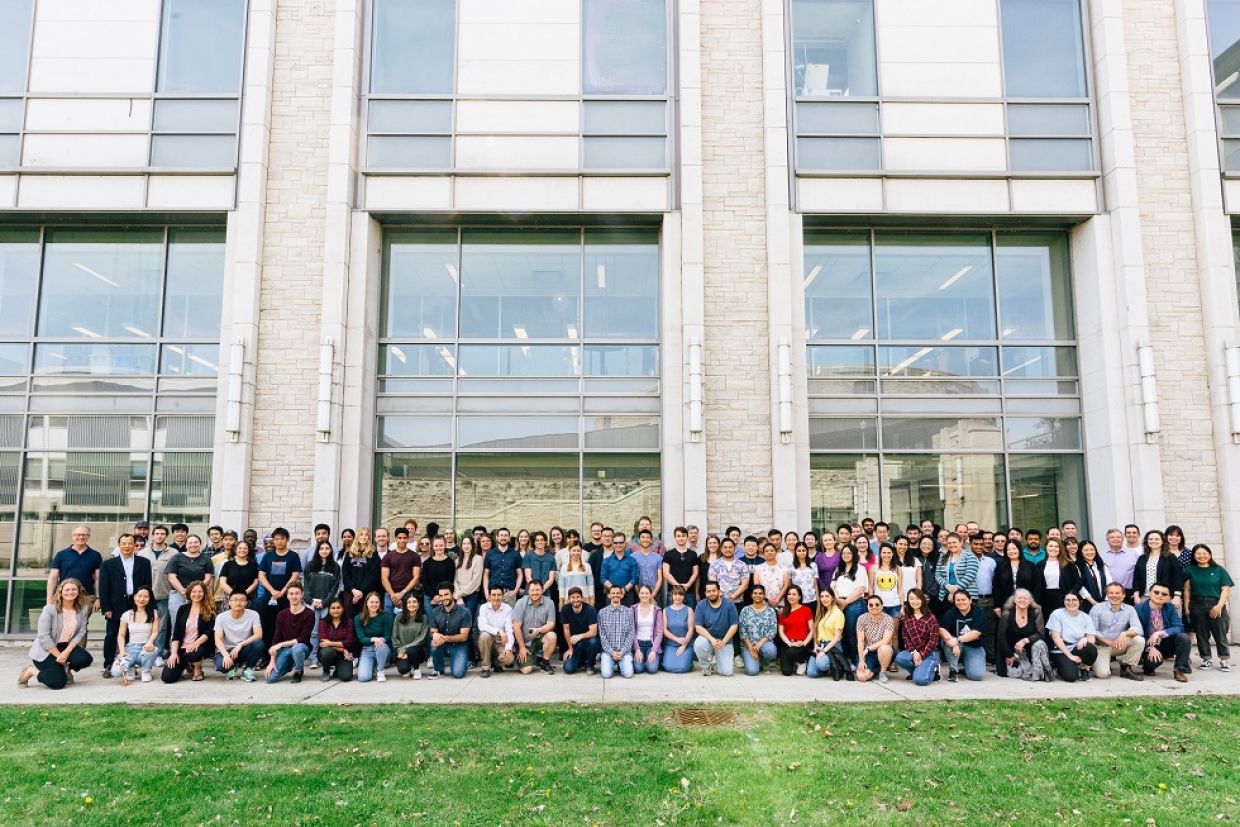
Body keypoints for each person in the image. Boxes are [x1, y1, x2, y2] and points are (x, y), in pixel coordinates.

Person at [18, 578, 93, 690]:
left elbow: (81, 632)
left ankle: (65, 669)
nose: (70, 592)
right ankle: (30, 671)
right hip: (46, 650)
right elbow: (44, 637)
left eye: (74, 589)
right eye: (67, 589)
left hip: (65, 646)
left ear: (78, 592)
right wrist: (60, 656)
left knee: (85, 659)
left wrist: (66, 653)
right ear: (60, 591)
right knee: (57, 683)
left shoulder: (83, 609)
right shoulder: (49, 610)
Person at [98, 533, 153, 678]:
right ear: (119, 545)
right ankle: (109, 663)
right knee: (112, 634)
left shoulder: (144, 563)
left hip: (137, 603)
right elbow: (103, 587)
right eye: (124, 543)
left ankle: (131, 663)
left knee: (132, 635)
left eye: (130, 543)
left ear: (135, 545)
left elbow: (148, 586)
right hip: (115, 604)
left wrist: (147, 605)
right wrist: (106, 607)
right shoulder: (108, 564)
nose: (127, 546)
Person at [1181, 544, 1232, 670]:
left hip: (1215, 604)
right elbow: (1187, 590)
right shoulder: (1189, 570)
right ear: (1194, 556)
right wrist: (1187, 607)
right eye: (1198, 553)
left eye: (1204, 553)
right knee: (1201, 633)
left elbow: (1225, 589)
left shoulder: (1219, 570)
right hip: (1196, 605)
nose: (1201, 556)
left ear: (1209, 554)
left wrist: (1219, 606)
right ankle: (1206, 659)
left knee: (1220, 633)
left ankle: (1224, 660)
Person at [1090, 582, 1146, 680]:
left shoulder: (1130, 609)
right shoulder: (1097, 608)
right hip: (1101, 646)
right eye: (1111, 593)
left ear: (1123, 595)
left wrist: (1124, 634)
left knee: (1139, 640)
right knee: (1103, 674)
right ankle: (1100, 663)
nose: (1114, 596)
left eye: (1117, 593)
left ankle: (1126, 667)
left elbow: (1138, 629)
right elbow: (1092, 630)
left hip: (1118, 644)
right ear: (1107, 595)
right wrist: (1108, 642)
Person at [163, 581, 217, 683]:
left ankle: (197, 669)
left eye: (200, 591)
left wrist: (195, 643)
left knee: (192, 654)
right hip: (182, 648)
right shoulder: (183, 609)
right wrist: (174, 653)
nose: (197, 594)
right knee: (167, 678)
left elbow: (209, 632)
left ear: (205, 593)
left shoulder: (210, 610)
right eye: (194, 591)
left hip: (199, 647)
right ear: (189, 593)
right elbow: (177, 634)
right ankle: (187, 666)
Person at [1135, 584, 1192, 681]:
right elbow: (1136, 633)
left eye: (1164, 594)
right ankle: (1148, 667)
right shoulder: (1138, 609)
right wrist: (1150, 647)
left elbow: (1179, 627)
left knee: (1184, 638)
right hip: (1146, 645)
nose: (1159, 595)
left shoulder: (1170, 608)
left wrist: (1160, 633)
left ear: (1169, 598)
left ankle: (1179, 670)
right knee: (1153, 663)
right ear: (1149, 593)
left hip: (1165, 643)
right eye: (1156, 592)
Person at [257, 528, 301, 647]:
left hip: (288, 598)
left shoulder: (293, 556)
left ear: (287, 540)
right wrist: (272, 591)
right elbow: (261, 575)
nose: (279, 541)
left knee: (286, 625)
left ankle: (284, 651)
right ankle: (267, 654)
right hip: (270, 597)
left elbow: (295, 575)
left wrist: (282, 591)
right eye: (276, 539)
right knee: (268, 625)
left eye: (282, 539)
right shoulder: (268, 556)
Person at [264, 582, 314, 684]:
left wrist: (281, 644)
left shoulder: (309, 614)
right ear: (287, 595)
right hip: (286, 650)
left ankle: (298, 670)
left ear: (302, 594)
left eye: (297, 593)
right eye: (291, 594)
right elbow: (276, 638)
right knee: (270, 679)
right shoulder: (282, 615)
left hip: (302, 647)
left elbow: (303, 638)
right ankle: (290, 664)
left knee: (297, 648)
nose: (294, 596)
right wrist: (272, 661)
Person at [996, 589, 1051, 681]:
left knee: (1040, 643)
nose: (1022, 600)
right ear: (1014, 600)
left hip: (1028, 648)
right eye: (1019, 598)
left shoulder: (1036, 612)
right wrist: (1009, 655)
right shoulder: (1007, 613)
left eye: (1026, 598)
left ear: (1030, 601)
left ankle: (1044, 670)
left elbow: (1040, 633)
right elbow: (1001, 636)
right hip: (1009, 650)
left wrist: (1025, 640)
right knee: (1016, 673)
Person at [303, 540, 341, 670]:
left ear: (330, 551)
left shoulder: (335, 567)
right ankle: (314, 658)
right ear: (317, 550)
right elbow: (306, 585)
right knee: (314, 633)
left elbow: (334, 588)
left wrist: (324, 602)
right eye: (321, 548)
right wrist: (311, 601)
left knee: (327, 632)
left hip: (327, 604)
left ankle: (326, 658)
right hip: (312, 604)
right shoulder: (310, 565)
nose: (324, 551)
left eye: (327, 548)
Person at [111, 585, 160, 685]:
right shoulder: (127, 614)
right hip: (131, 648)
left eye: (146, 596)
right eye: (140, 596)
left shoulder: (154, 613)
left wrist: (150, 642)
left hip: (146, 648)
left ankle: (146, 671)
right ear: (134, 597)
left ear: (150, 599)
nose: (142, 599)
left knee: (152, 650)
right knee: (115, 672)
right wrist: (122, 651)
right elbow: (121, 635)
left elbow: (155, 631)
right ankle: (130, 667)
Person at [210, 589, 261, 681]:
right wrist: (225, 655)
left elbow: (258, 635)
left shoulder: (253, 615)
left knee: (259, 644)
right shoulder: (221, 617)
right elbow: (218, 639)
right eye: (235, 599)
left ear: (246, 603)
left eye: (242, 600)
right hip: (227, 651)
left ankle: (247, 670)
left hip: (243, 649)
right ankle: (232, 668)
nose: (238, 602)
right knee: (222, 667)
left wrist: (240, 645)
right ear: (229, 602)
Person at [46, 525, 102, 609]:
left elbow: (98, 579)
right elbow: (53, 578)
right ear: (73, 536)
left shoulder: (95, 555)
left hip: (86, 598)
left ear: (88, 536)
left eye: (84, 535)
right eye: (78, 534)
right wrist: (49, 600)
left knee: (82, 622)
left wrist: (98, 598)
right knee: (64, 621)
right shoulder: (61, 555)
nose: (81, 537)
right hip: (65, 596)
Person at [1047, 593, 1098, 682]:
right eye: (1068, 600)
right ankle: (1058, 668)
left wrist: (1085, 638)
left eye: (1074, 600)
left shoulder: (1086, 617)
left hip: (1076, 647)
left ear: (1080, 602)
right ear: (1064, 602)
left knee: (1091, 649)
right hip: (1061, 649)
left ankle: (1085, 669)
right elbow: (1056, 638)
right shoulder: (1057, 614)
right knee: (1071, 677)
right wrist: (1070, 656)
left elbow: (1092, 639)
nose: (1071, 602)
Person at [894, 589, 940, 686]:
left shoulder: (931, 617)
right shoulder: (907, 617)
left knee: (920, 681)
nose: (914, 601)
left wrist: (921, 655)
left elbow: (933, 641)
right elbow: (905, 637)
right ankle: (920, 671)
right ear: (908, 601)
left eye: (917, 598)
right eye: (911, 598)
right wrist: (915, 653)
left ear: (923, 600)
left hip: (930, 653)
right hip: (914, 653)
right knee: (900, 657)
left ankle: (933, 671)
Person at [939, 590, 987, 682]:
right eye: (958, 600)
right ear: (954, 602)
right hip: (956, 647)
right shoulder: (951, 612)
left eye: (963, 599)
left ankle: (964, 667)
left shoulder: (979, 613)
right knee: (948, 641)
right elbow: (941, 629)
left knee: (977, 676)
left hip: (974, 646)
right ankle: (953, 670)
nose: (961, 602)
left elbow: (976, 633)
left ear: (970, 600)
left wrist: (957, 640)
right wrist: (954, 643)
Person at [693, 581, 739, 676]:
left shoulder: (729, 604)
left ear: (719, 591)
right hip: (708, 639)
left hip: (725, 640)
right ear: (705, 593)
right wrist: (712, 640)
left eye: (714, 591)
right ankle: (706, 666)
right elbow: (698, 627)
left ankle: (715, 662)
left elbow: (734, 626)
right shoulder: (701, 605)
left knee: (727, 672)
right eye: (708, 591)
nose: (711, 593)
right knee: (699, 644)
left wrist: (724, 642)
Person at [513, 579, 558, 675]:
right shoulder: (520, 603)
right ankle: (524, 658)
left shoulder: (549, 603)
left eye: (537, 590)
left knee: (552, 636)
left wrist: (539, 630)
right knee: (526, 670)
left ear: (542, 590)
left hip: (540, 637)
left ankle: (545, 663)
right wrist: (521, 647)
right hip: (525, 641)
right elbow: (516, 627)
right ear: (528, 591)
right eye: (532, 590)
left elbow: (551, 624)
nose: (535, 593)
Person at [832, 545, 868, 661]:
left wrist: (845, 602)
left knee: (853, 633)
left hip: (854, 604)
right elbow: (832, 586)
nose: (846, 555)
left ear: (854, 554)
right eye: (843, 553)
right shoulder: (839, 569)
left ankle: (855, 660)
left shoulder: (860, 569)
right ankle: (845, 659)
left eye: (849, 553)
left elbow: (861, 589)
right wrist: (838, 600)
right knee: (842, 632)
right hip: (839, 603)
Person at [429, 582, 472, 679]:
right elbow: (433, 631)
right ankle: (439, 670)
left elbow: (463, 636)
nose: (443, 598)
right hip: (442, 645)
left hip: (459, 646)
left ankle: (462, 662)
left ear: (452, 594)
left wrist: (444, 638)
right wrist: (435, 635)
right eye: (441, 595)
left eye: (446, 594)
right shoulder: (435, 611)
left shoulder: (465, 612)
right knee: (434, 644)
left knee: (458, 674)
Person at [806, 588, 848, 679]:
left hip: (833, 646)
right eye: (822, 596)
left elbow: (837, 637)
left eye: (827, 596)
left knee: (821, 664)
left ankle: (834, 665)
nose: (824, 599)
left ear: (832, 598)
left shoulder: (838, 613)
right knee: (811, 673)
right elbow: (816, 633)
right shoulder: (822, 613)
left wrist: (823, 651)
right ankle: (828, 668)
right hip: (820, 645)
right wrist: (816, 647)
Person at [477, 585, 516, 677]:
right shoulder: (484, 607)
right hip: (488, 640)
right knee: (484, 636)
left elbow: (509, 631)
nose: (496, 597)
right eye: (493, 595)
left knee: (509, 659)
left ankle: (497, 663)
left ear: (502, 596)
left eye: (499, 595)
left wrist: (508, 649)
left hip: (501, 641)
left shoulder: (508, 609)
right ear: (489, 596)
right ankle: (485, 668)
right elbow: (481, 625)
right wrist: (499, 631)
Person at [738, 584, 778, 675]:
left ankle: (765, 662)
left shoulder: (770, 611)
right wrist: (751, 649)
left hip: (764, 644)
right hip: (749, 645)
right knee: (752, 671)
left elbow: (772, 630)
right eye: (755, 593)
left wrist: (759, 644)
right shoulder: (745, 610)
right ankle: (753, 660)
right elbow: (742, 631)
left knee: (771, 651)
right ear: (751, 595)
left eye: (760, 593)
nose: (758, 595)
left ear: (764, 595)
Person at [560, 586, 601, 675]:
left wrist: (580, 636)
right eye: (573, 597)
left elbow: (593, 632)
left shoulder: (590, 610)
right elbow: (566, 630)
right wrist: (570, 648)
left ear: (582, 598)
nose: (576, 600)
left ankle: (590, 665)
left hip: (588, 642)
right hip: (576, 645)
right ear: (569, 599)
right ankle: (583, 661)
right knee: (568, 669)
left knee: (593, 641)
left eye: (578, 597)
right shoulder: (565, 609)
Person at [854, 596, 895, 684]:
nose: (874, 607)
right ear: (867, 606)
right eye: (871, 605)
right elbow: (860, 641)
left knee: (884, 648)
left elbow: (885, 641)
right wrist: (861, 660)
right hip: (868, 653)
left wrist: (868, 649)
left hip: (883, 651)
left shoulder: (888, 619)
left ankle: (883, 672)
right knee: (862, 677)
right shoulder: (862, 619)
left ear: (882, 606)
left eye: (877, 604)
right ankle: (875, 669)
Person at [354, 591, 393, 682]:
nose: (374, 604)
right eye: (371, 602)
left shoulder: (385, 616)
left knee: (380, 646)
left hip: (382, 648)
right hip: (367, 650)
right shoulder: (359, 618)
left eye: (376, 602)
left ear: (380, 603)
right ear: (366, 603)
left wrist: (379, 640)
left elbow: (387, 636)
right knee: (363, 678)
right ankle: (373, 666)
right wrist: (373, 639)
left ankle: (380, 671)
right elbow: (361, 638)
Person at [597, 585, 635, 679]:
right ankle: (610, 661)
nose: (615, 595)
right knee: (606, 674)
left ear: (621, 595)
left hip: (624, 651)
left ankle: (619, 664)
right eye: (613, 593)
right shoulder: (602, 613)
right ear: (609, 595)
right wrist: (612, 652)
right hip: (608, 652)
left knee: (628, 674)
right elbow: (602, 636)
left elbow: (631, 634)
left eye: (618, 593)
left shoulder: (629, 612)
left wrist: (622, 652)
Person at [381, 527, 421, 615]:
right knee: (389, 623)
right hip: (390, 595)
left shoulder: (414, 556)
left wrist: (402, 593)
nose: (402, 540)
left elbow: (416, 577)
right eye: (399, 538)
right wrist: (393, 595)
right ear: (395, 539)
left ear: (408, 538)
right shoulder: (388, 556)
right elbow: (384, 578)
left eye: (404, 538)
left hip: (408, 595)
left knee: (406, 623)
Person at [342, 527, 381, 618]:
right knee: (350, 618)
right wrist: (353, 590)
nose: (363, 537)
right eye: (361, 534)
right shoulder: (349, 553)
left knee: (364, 618)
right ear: (357, 536)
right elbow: (345, 573)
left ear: (369, 538)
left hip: (366, 593)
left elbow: (373, 575)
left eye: (366, 535)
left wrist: (361, 591)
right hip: (351, 592)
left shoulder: (373, 554)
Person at [777, 585, 814, 676]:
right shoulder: (783, 612)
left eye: (794, 594)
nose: (791, 596)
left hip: (802, 643)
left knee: (792, 652)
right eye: (789, 594)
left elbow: (812, 630)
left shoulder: (806, 610)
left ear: (799, 597)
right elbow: (781, 631)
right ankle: (793, 661)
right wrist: (789, 643)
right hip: (788, 643)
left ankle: (801, 662)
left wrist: (804, 642)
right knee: (786, 672)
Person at [317, 598, 357, 681]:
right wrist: (342, 649)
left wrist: (330, 643)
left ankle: (338, 670)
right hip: (329, 653)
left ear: (343, 609)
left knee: (346, 677)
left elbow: (349, 642)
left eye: (338, 607)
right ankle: (326, 670)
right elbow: (323, 643)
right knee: (327, 652)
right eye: (333, 608)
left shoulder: (349, 622)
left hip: (343, 656)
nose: (336, 610)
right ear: (329, 609)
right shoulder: (323, 622)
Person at [392, 592, 430, 679]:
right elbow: (394, 637)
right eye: (409, 602)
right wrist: (399, 651)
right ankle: (408, 666)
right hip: (401, 651)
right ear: (405, 604)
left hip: (417, 651)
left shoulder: (423, 618)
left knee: (411, 650)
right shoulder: (398, 617)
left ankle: (416, 669)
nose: (412, 604)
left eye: (414, 602)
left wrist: (404, 649)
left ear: (419, 604)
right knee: (403, 670)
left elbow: (422, 638)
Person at [483, 530, 524, 607]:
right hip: (493, 593)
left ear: (508, 538)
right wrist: (486, 591)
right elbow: (486, 575)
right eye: (501, 535)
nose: (503, 537)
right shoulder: (490, 554)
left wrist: (515, 590)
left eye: (506, 535)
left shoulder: (515, 554)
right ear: (497, 537)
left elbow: (520, 574)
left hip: (509, 593)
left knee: (509, 618)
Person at [661, 586, 695, 673]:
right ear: (672, 596)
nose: (678, 597)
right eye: (675, 594)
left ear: (684, 597)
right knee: (667, 667)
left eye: (680, 594)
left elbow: (691, 629)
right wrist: (677, 639)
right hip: (671, 644)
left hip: (686, 643)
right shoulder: (665, 610)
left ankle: (688, 660)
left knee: (683, 668)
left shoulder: (689, 610)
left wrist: (683, 645)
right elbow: (664, 630)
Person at [632, 584, 664, 675]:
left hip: (651, 644)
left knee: (652, 669)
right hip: (639, 643)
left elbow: (659, 632)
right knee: (638, 669)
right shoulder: (633, 609)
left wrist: (654, 651)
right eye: (642, 593)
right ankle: (643, 659)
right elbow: (632, 631)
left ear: (650, 594)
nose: (644, 595)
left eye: (647, 593)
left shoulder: (657, 610)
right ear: (638, 594)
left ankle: (655, 657)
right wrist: (637, 649)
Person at [663, 527, 699, 607]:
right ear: (675, 538)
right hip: (673, 593)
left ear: (687, 537)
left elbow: (695, 572)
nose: (681, 538)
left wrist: (688, 585)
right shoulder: (668, 554)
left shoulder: (693, 554)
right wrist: (678, 586)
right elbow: (666, 573)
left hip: (689, 592)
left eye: (683, 536)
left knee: (690, 617)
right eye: (678, 536)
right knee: (672, 617)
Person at [708, 538, 750, 608]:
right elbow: (712, 584)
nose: (728, 549)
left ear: (734, 549)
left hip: (737, 602)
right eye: (725, 547)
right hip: (719, 602)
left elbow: (745, 584)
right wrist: (722, 598)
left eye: (730, 547)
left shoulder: (742, 564)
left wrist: (733, 597)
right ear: (721, 549)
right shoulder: (714, 564)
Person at [219, 538, 260, 608]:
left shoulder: (254, 565)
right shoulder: (228, 564)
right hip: (230, 598)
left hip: (248, 598)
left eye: (245, 548)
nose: (242, 550)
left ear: (248, 550)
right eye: (240, 548)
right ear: (235, 550)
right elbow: (222, 582)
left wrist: (244, 594)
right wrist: (233, 594)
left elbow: (255, 582)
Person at [601, 538, 640, 607]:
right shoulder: (606, 561)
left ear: (625, 543)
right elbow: (603, 578)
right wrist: (614, 590)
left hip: (628, 595)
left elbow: (635, 578)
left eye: (621, 542)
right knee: (610, 617)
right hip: (611, 595)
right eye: (615, 543)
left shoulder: (632, 560)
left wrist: (624, 589)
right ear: (612, 544)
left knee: (628, 616)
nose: (618, 545)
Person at [1076, 541, 1111, 613]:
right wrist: (1093, 602)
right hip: (1087, 603)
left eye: (1092, 550)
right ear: (1080, 552)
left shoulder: (1101, 565)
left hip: (1105, 602)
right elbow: (1080, 587)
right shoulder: (1077, 566)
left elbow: (1109, 582)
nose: (1089, 552)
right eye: (1086, 550)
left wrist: (1107, 599)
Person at [754, 542, 790, 609]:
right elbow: (757, 586)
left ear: (776, 552)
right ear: (763, 553)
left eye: (772, 550)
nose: (769, 552)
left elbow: (786, 585)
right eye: (766, 551)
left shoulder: (784, 568)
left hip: (781, 603)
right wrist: (768, 600)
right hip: (763, 603)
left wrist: (777, 600)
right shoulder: (758, 568)